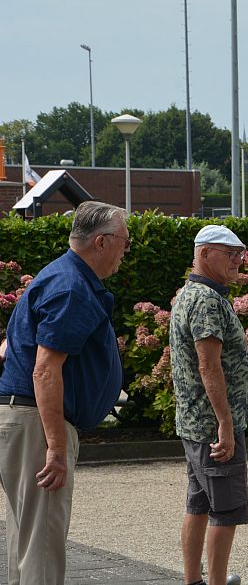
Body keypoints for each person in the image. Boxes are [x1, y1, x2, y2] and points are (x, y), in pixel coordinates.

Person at [0, 200, 128, 585]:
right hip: (37, 425)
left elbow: (11, 348)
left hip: (25, 419)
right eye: (124, 242)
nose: (126, 251)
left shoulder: (58, 276)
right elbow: (45, 369)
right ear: (101, 242)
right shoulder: (72, 287)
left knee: (28, 541)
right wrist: (55, 447)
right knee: (41, 547)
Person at [170, 225, 248, 585]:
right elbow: (209, 365)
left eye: (240, 254)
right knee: (226, 509)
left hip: (196, 423)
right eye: (230, 254)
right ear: (205, 253)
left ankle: (194, 580)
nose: (238, 261)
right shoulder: (206, 300)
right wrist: (225, 423)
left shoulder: (192, 293)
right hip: (211, 426)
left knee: (199, 503)